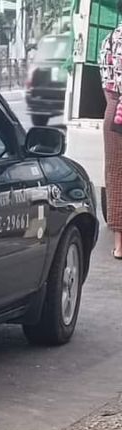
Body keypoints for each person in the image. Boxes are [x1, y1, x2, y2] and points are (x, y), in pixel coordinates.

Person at [98, 9, 122, 259]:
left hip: (113, 112)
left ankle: (119, 245)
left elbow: (106, 81)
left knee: (116, 178)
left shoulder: (109, 40)